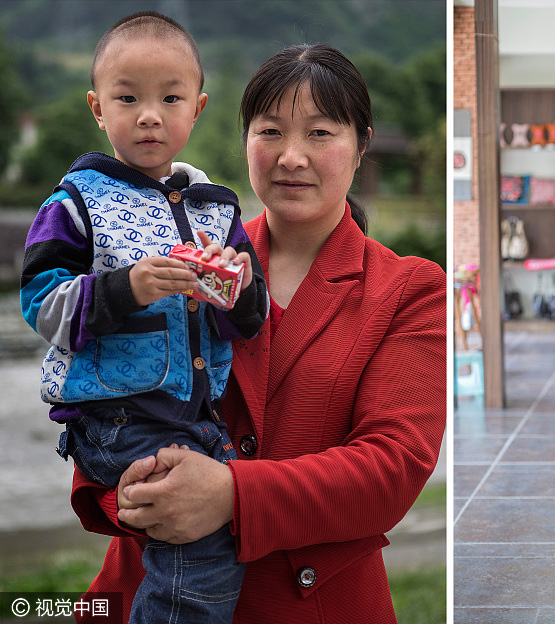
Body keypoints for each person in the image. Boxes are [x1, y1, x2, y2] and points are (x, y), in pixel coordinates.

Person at [66, 43, 446, 624]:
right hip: (149, 588)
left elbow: (392, 469)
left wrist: (231, 496)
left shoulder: (408, 290)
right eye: (270, 131)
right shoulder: (178, 260)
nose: (291, 157)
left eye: (320, 134)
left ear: (362, 144)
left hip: (314, 604)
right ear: (245, 140)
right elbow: (103, 395)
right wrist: (133, 497)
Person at [20, 11, 268, 624]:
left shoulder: (217, 210)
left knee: (240, 517)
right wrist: (123, 289)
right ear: (98, 108)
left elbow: (252, 317)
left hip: (193, 417)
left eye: (170, 98)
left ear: (198, 109)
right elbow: (39, 302)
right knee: (196, 539)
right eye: (127, 98)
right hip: (117, 418)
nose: (149, 114)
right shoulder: (77, 201)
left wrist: (230, 285)